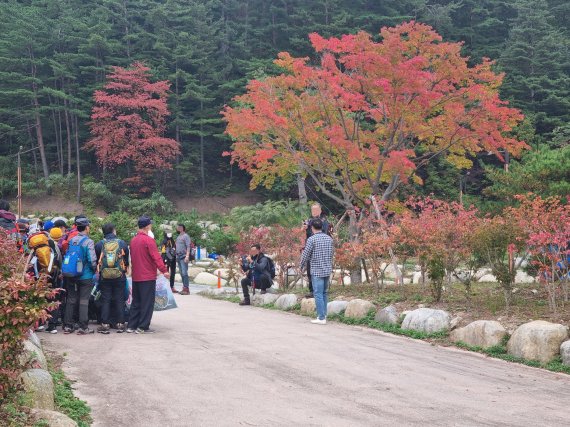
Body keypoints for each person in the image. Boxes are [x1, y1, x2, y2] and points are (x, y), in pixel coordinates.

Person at [127, 215, 169, 334]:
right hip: (147, 276)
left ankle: (132, 325)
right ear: (147, 226)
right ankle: (143, 326)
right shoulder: (149, 241)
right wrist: (164, 270)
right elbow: (156, 257)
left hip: (136, 276)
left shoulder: (133, 240)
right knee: (147, 302)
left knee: (136, 301)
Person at [63, 217, 97, 335]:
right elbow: (92, 260)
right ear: (87, 227)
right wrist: (94, 270)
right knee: (83, 300)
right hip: (85, 275)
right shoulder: (88, 242)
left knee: (71, 299)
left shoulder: (72, 240)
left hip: (72, 274)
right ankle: (83, 327)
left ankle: (68, 325)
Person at [95, 223, 130, 334]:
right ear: (113, 230)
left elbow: (97, 261)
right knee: (119, 299)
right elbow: (126, 260)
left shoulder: (100, 244)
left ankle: (105, 324)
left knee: (106, 299)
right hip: (119, 276)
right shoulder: (122, 243)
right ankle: (120, 324)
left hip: (105, 277)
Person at [300, 219, 334, 325]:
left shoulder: (311, 239)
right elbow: (332, 253)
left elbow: (305, 254)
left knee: (318, 294)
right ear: (322, 227)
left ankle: (321, 317)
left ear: (312, 228)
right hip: (327, 269)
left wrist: (301, 265)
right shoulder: (329, 239)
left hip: (317, 269)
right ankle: (324, 314)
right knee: (324, 293)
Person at [303, 203, 331, 298]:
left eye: (316, 210)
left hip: (321, 248)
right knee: (310, 269)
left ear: (320, 210)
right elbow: (308, 235)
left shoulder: (324, 221)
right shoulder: (309, 220)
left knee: (322, 269)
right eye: (312, 210)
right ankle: (312, 290)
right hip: (311, 246)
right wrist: (306, 228)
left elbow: (325, 233)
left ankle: (322, 290)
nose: (314, 212)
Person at [175, 224, 192, 295]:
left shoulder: (186, 236)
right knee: (182, 273)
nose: (178, 228)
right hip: (178, 257)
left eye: (180, 227)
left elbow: (188, 246)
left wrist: (187, 256)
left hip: (183, 256)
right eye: (178, 227)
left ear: (183, 228)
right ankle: (184, 288)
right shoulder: (178, 236)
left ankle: (186, 289)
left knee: (184, 273)